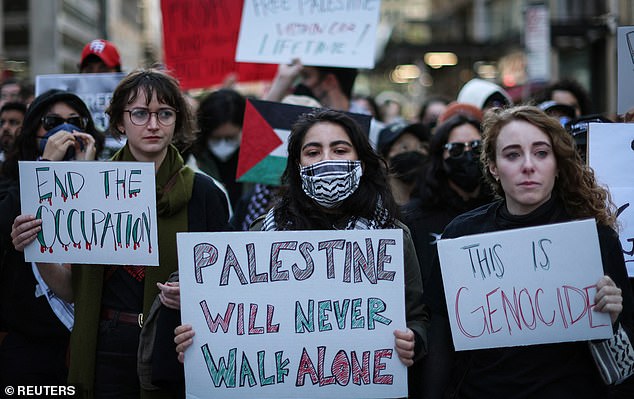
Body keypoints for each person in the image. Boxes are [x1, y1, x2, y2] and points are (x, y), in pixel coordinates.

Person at [10, 69, 232, 398]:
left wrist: (195, 296)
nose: (153, 125)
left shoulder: (205, 193)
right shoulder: (88, 187)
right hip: (104, 348)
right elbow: (71, 290)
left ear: (177, 122)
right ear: (119, 122)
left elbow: (225, 289)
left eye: (165, 114)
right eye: (140, 113)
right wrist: (37, 248)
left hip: (175, 347)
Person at [174, 110, 430, 380]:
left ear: (361, 163)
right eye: (313, 152)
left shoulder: (392, 237)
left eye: (340, 150)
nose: (327, 160)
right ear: (297, 165)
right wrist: (198, 342)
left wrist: (414, 340)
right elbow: (238, 321)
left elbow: (416, 315)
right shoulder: (263, 234)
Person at [430, 105, 633, 398]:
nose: (528, 165)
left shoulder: (597, 239)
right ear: (493, 167)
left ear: (557, 165)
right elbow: (440, 343)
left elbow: (625, 371)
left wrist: (612, 324)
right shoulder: (461, 236)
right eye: (512, 154)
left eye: (541, 153)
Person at [0, 89, 99, 388]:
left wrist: (88, 175)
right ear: (32, 132)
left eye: (75, 121)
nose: (65, 130)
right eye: (51, 121)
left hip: (83, 346)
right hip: (27, 347)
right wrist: (45, 168)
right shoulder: (8, 183)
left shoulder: (106, 185)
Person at [401, 113, 493, 397]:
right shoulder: (414, 218)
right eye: (455, 150)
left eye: (476, 147)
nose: (467, 156)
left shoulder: (503, 213)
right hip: (435, 351)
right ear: (440, 157)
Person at [187, 88, 247, 209]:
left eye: (230, 138)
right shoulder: (191, 159)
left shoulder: (255, 162)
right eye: (216, 138)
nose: (223, 144)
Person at [377, 121, 430, 206]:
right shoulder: (374, 205)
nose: (415, 153)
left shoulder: (431, 204)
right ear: (383, 160)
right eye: (404, 147)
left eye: (420, 147)